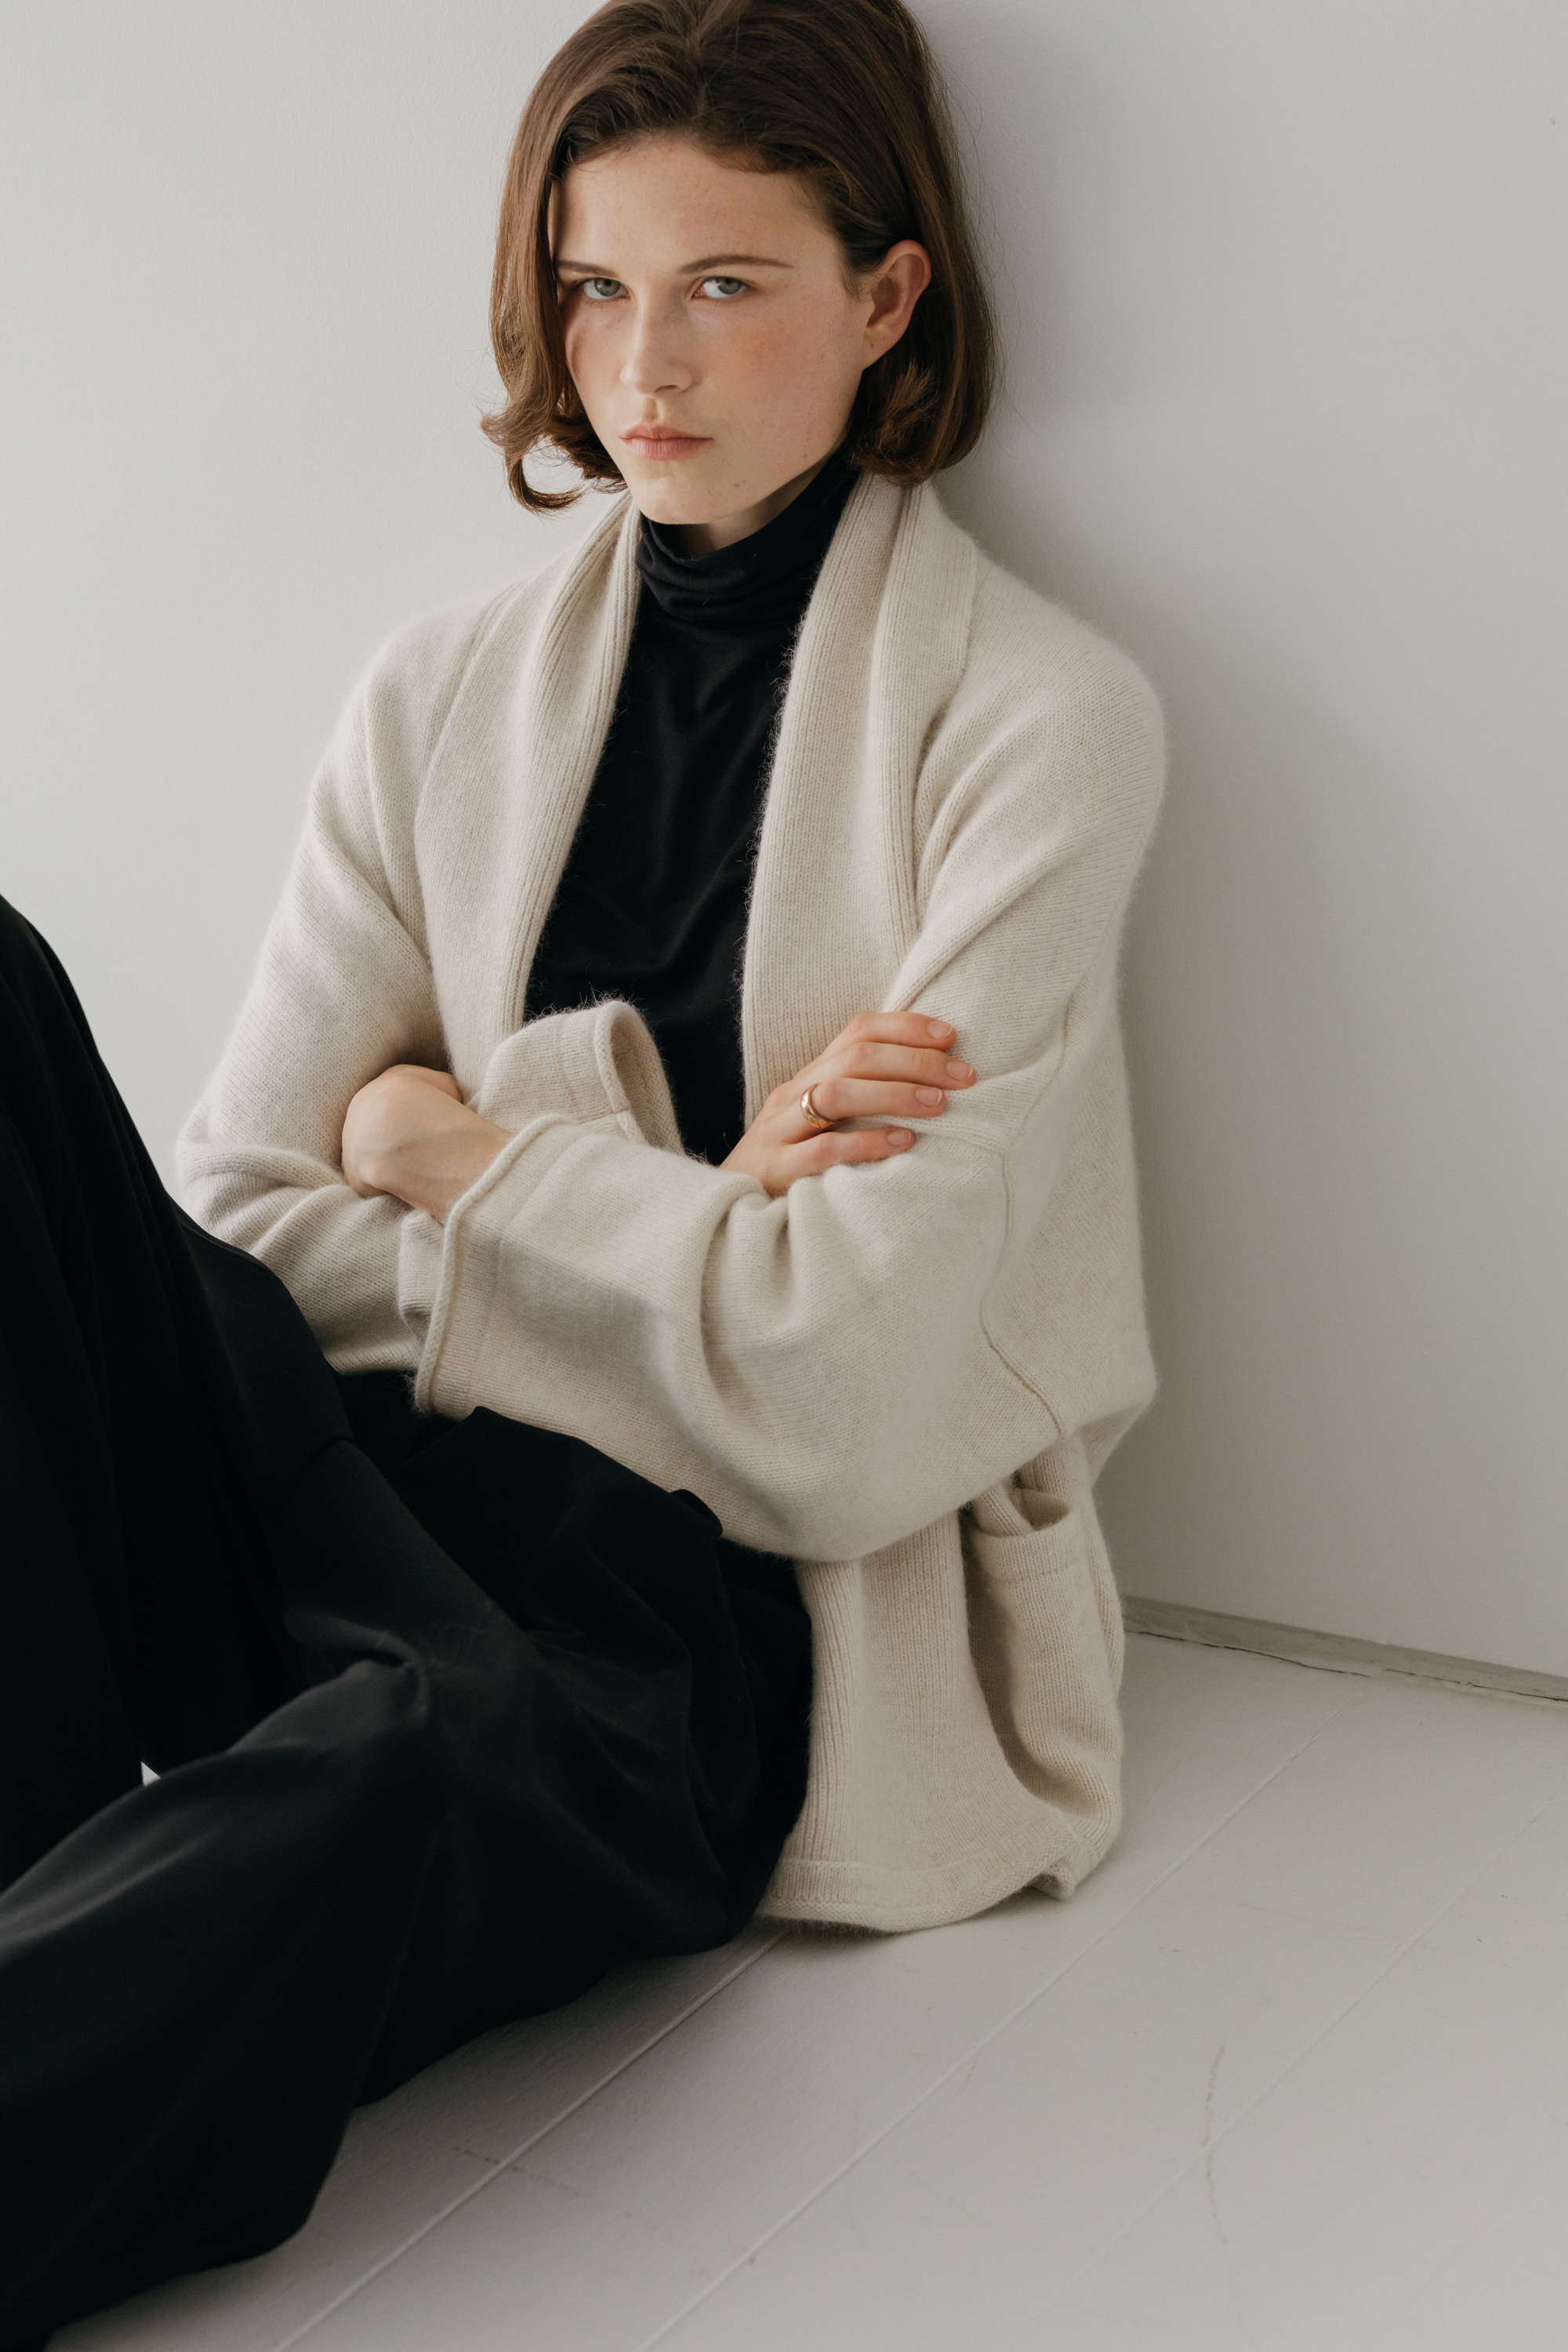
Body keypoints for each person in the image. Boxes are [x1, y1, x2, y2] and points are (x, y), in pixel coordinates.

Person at [0, 0, 1163, 2340]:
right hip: (330, 1463)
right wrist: (717, 1198)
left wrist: (452, 1137)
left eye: (726, 283)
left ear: (888, 294)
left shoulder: (1040, 726)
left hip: (664, 1606)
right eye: (594, 285)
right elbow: (254, 1210)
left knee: (376, 1783)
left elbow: (846, 1397)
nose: (643, 366)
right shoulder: (438, 689)